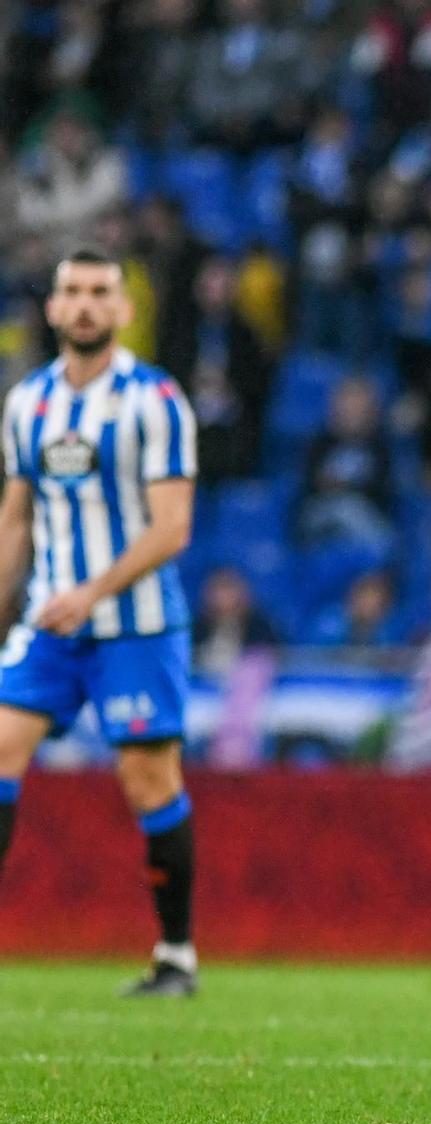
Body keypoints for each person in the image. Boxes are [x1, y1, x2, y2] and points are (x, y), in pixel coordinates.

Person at [0, 247, 201, 996]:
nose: (85, 305)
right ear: (52, 308)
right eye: (73, 292)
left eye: (100, 293)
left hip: (137, 626)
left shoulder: (156, 399)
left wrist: (93, 589)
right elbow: (15, 521)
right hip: (50, 625)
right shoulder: (28, 403)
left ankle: (176, 954)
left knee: (148, 779)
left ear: (123, 309)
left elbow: (173, 526)